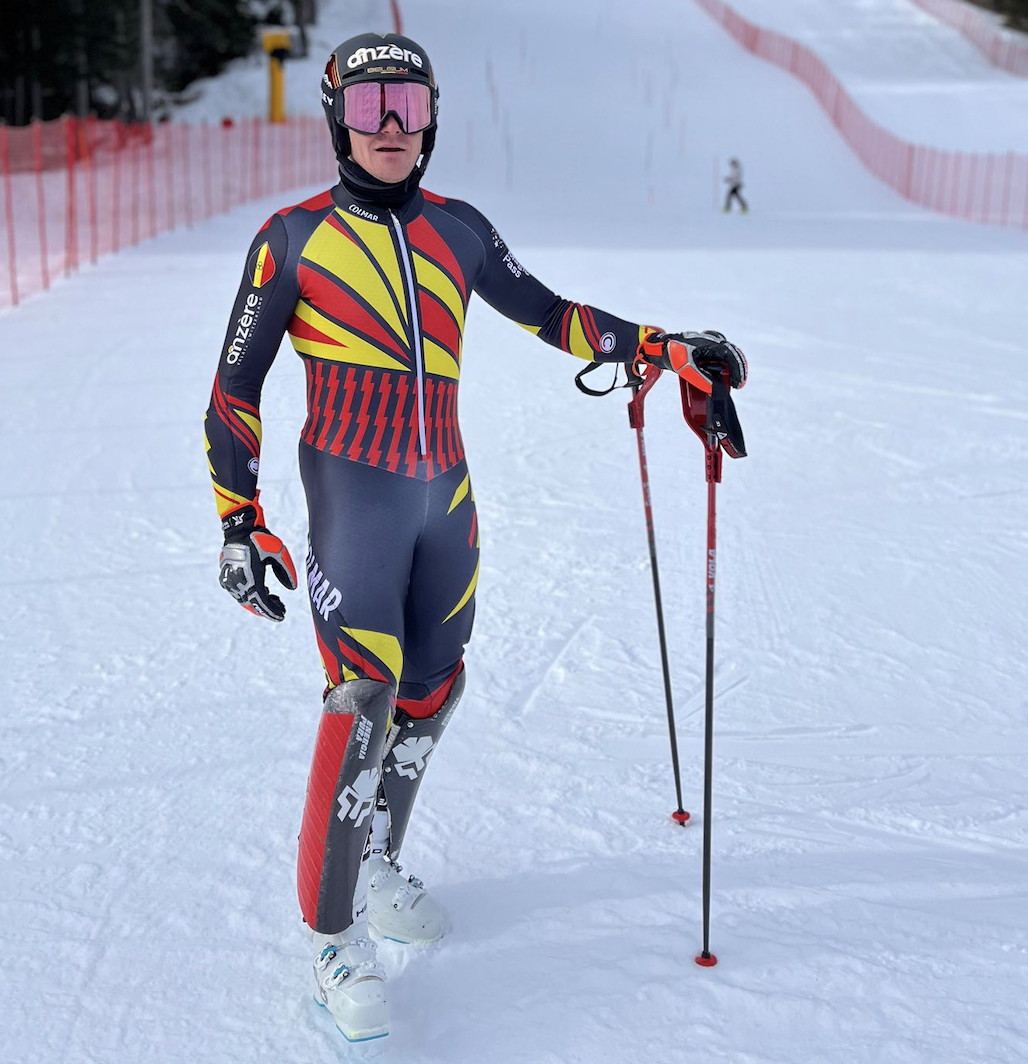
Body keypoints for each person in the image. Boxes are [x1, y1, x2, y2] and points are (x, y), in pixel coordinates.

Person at [205, 31, 747, 1043]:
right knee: (362, 696)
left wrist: (660, 347)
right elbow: (235, 388)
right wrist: (240, 520)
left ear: (432, 119)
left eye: (408, 106)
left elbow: (550, 315)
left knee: (432, 686)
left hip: (444, 498)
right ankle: (332, 937)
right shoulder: (292, 239)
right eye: (368, 108)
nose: (391, 127)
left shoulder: (458, 229)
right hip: (354, 499)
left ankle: (373, 857)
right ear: (335, 121)